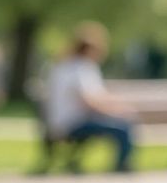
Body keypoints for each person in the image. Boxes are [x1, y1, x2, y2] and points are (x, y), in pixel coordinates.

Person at [43, 21, 137, 173]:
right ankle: (121, 166)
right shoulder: (79, 68)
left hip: (65, 121)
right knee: (122, 128)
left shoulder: (68, 65)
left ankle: (121, 165)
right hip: (72, 123)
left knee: (122, 123)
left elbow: (97, 97)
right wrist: (117, 110)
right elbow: (89, 101)